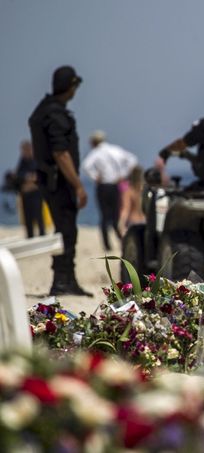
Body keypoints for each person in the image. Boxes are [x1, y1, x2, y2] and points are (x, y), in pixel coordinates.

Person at [28, 65, 92, 296]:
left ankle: (66, 279)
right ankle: (62, 281)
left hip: (49, 181)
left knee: (64, 230)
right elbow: (60, 153)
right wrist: (78, 185)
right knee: (66, 231)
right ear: (70, 87)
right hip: (59, 182)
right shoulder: (55, 114)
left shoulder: (43, 110)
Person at [81, 130, 138, 250]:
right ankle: (121, 241)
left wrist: (94, 176)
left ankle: (107, 245)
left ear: (94, 142)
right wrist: (123, 174)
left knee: (104, 216)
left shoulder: (96, 152)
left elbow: (86, 166)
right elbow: (132, 159)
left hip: (103, 186)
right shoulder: (115, 149)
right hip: (116, 185)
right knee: (117, 214)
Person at [15, 140, 46, 238]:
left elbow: (40, 177)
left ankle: (42, 234)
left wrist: (30, 181)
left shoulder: (36, 160)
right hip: (26, 194)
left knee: (38, 215)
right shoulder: (22, 162)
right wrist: (28, 179)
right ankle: (30, 235)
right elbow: (18, 177)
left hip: (36, 193)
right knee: (27, 216)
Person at [118, 165, 146, 236]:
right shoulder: (146, 191)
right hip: (145, 222)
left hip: (133, 223)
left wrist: (121, 224)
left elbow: (126, 209)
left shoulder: (129, 192)